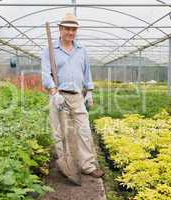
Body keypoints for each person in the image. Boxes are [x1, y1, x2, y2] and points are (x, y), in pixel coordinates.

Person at [41, 13, 104, 178]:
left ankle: (87, 166)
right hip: (59, 96)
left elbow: (86, 72)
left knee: (84, 130)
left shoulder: (81, 50)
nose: (71, 32)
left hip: (77, 96)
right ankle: (65, 165)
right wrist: (54, 93)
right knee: (59, 132)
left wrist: (89, 91)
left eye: (74, 29)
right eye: (67, 28)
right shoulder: (50, 50)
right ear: (60, 29)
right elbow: (46, 75)